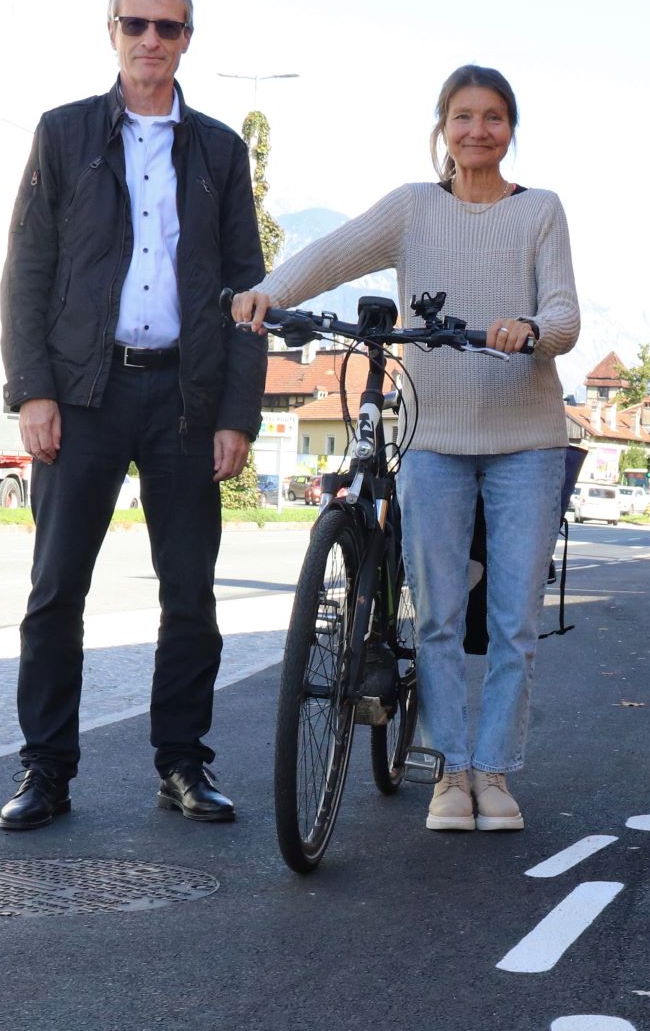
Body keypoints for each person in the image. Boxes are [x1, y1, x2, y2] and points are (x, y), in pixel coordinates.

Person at [233, 65, 578, 834]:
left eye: (493, 117)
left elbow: (563, 311)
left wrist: (532, 328)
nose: (477, 130)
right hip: (435, 441)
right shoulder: (413, 209)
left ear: (510, 128)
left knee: (515, 619)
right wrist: (269, 290)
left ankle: (495, 768)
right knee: (439, 617)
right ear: (442, 127)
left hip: (526, 441)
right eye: (463, 116)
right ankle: (451, 771)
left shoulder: (542, 212)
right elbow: (332, 252)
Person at [0, 0, 265, 831]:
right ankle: (46, 770)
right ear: (110, 30)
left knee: (189, 593)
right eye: (137, 24)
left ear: (189, 40)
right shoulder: (65, 133)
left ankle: (183, 762)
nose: (152, 40)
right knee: (55, 591)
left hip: (184, 399)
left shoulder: (221, 151)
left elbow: (245, 290)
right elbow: (27, 272)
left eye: (170, 27)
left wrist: (236, 412)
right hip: (84, 394)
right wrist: (33, 390)